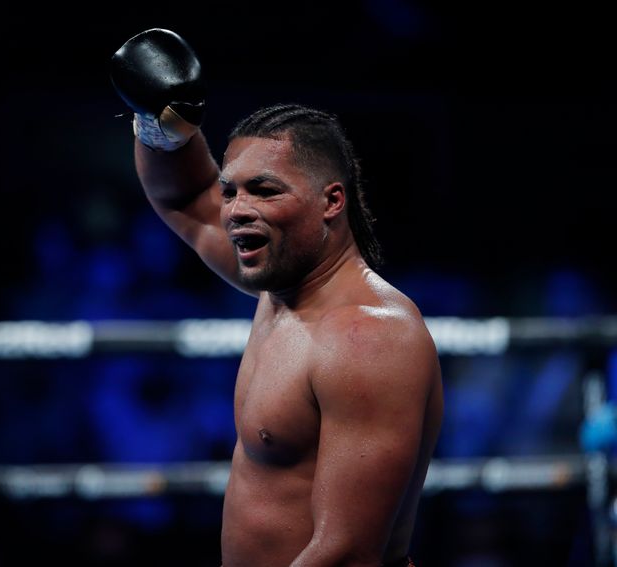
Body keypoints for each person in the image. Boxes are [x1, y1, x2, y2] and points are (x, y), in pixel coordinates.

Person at [110, 28, 443, 567]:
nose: (236, 209)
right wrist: (161, 122)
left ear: (331, 201)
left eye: (264, 190)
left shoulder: (367, 335)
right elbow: (187, 196)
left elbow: (347, 552)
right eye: (232, 190)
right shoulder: (282, 289)